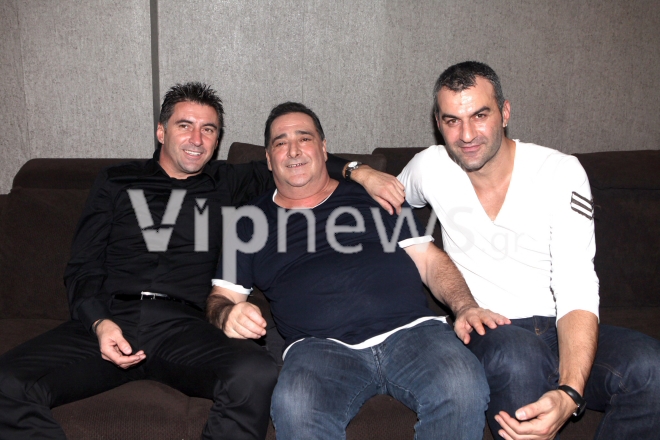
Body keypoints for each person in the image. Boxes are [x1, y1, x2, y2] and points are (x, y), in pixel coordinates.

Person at [0, 83, 403, 440]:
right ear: (161, 131)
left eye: (208, 129)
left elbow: (296, 160)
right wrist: (98, 322)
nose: (197, 138)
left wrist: (360, 171)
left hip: (185, 328)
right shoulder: (116, 180)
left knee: (256, 373)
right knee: (6, 382)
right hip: (111, 317)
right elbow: (83, 266)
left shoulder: (228, 182)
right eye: (185, 125)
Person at [209, 101, 510, 440]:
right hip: (318, 350)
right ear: (268, 158)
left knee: (462, 383)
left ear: (324, 149)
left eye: (304, 138)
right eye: (281, 142)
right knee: (296, 404)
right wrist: (228, 315)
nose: (293, 151)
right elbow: (221, 299)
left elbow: (429, 259)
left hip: (413, 334)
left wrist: (465, 306)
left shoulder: (374, 195)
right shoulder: (247, 222)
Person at [398, 61, 660, 440]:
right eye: (452, 120)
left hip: (558, 326)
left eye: (480, 116)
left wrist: (570, 391)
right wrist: (358, 169)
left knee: (651, 368)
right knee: (519, 355)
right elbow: (382, 201)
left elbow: (576, 281)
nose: (466, 135)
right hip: (492, 332)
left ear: (505, 113)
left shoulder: (559, 172)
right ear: (438, 123)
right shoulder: (429, 167)